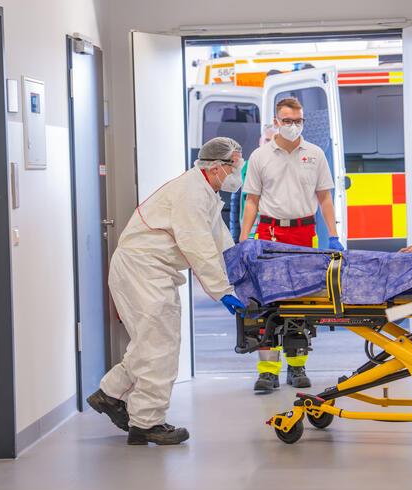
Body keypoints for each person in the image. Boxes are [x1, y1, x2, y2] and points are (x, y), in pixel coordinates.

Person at [87, 137, 246, 446]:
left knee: (152, 341)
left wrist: (238, 266)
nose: (239, 171)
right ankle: (147, 423)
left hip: (151, 270)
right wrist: (223, 290)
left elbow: (218, 237)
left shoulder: (205, 191)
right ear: (216, 167)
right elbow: (198, 245)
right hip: (143, 269)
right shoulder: (191, 193)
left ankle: (109, 394)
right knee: (160, 345)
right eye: (235, 165)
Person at [240, 97, 343, 393]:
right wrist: (245, 239)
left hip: (304, 235)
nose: (293, 126)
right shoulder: (260, 156)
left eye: (298, 121)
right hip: (270, 235)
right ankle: (268, 372)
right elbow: (252, 201)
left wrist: (334, 235)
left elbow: (325, 198)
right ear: (276, 122)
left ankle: (297, 368)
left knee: (300, 303)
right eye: (287, 121)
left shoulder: (314, 154)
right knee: (268, 305)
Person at [229, 125, 277, 241]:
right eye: (267, 140)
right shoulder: (244, 169)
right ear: (260, 141)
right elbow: (236, 208)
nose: (269, 145)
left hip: (275, 236)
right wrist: (235, 239)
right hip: (249, 237)